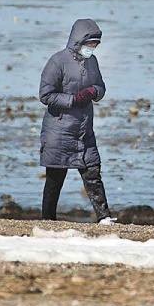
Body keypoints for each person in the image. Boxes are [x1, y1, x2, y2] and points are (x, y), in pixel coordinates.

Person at [38, 18, 114, 223]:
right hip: (59, 130)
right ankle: (47, 219)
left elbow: (101, 88)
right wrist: (73, 99)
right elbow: (45, 95)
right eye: (90, 44)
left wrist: (94, 92)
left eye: (96, 45)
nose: (93, 48)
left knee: (93, 172)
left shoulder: (92, 62)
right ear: (79, 41)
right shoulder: (57, 61)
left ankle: (104, 218)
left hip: (84, 129)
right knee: (55, 179)